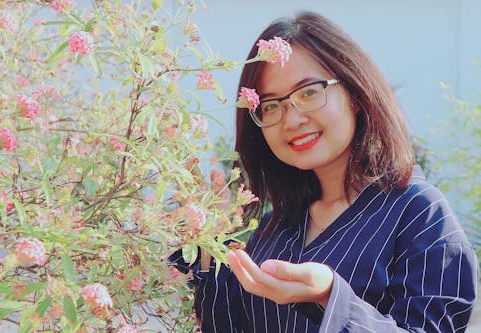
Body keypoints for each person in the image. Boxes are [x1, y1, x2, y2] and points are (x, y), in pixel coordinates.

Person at [169, 11, 478, 332]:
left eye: (309, 92)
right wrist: (207, 246)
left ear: (355, 92)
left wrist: (332, 296)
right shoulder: (277, 228)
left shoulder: (419, 215)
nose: (291, 119)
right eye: (271, 105)